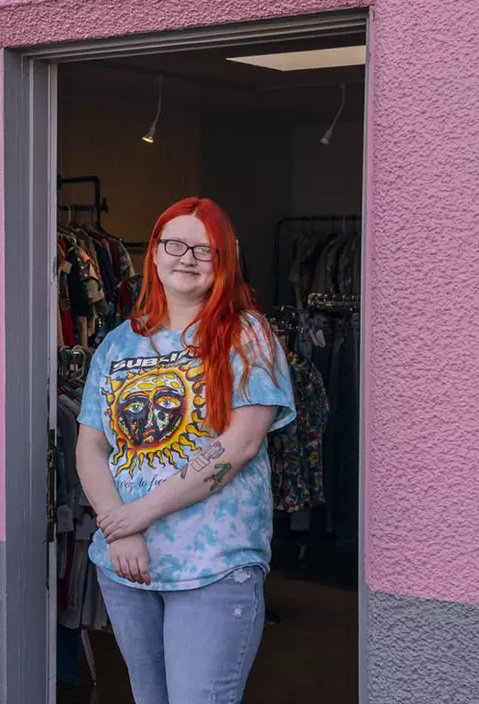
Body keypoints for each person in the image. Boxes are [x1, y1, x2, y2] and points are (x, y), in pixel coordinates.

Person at [75, 197, 296, 704]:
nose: (187, 258)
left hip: (213, 566)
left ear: (224, 261)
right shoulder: (117, 344)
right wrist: (119, 529)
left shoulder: (248, 336)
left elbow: (237, 447)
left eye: (205, 249)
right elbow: (91, 444)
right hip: (125, 565)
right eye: (175, 244)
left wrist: (137, 517)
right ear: (153, 254)